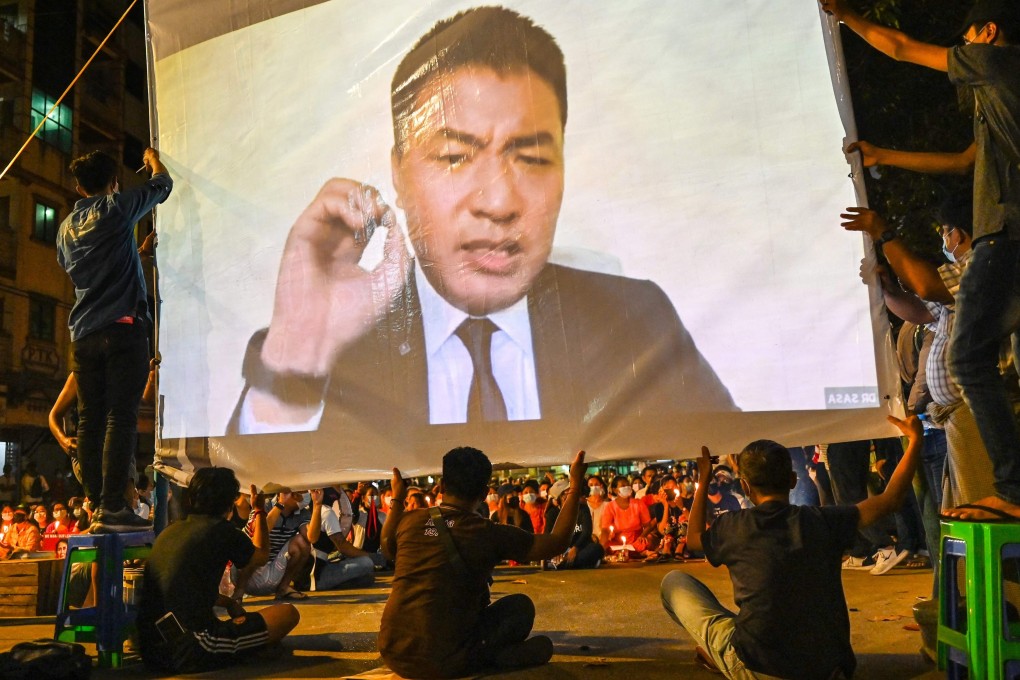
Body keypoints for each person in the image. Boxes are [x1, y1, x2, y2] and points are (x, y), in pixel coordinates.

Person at [231, 6, 735, 444]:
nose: (498, 202)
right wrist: (299, 352)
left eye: (533, 157)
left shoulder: (635, 320)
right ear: (397, 175)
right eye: (454, 156)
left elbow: (736, 468)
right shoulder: (336, 344)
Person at [820, 0, 1020, 521]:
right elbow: (959, 162)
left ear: (989, 31)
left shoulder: (995, 63)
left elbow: (905, 49)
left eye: (969, 36)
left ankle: (1014, 489)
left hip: (1006, 235)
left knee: (968, 358)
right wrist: (884, 155)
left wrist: (846, 17)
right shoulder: (998, 108)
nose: (963, 48)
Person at [661, 415, 922, 679]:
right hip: (830, 670)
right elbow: (890, 499)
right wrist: (914, 441)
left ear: (745, 486)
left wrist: (704, 478)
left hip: (761, 669)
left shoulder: (732, 526)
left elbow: (693, 538)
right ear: (793, 480)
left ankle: (725, 654)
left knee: (674, 583)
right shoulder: (824, 521)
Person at [377, 447, 587, 678]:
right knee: (520, 608)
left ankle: (485, 655)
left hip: (394, 652)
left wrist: (397, 496)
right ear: (485, 492)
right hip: (444, 660)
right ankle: (489, 657)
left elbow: (387, 545)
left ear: (443, 486)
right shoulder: (486, 532)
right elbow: (556, 543)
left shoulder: (410, 521)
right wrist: (575, 486)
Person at [57, 148, 171, 533]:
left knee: (89, 419)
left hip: (83, 333)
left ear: (77, 187)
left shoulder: (64, 230)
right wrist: (153, 160)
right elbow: (162, 185)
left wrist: (135, 255)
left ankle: (94, 504)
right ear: (114, 183)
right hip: (122, 330)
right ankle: (112, 506)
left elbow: (97, 270)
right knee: (119, 417)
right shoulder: (116, 208)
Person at [138, 468, 299, 673]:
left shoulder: (170, 531)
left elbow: (184, 589)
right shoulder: (222, 531)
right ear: (230, 502)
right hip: (191, 647)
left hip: (150, 649)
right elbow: (261, 556)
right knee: (287, 614)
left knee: (251, 629)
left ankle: (248, 647)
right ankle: (246, 650)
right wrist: (258, 510)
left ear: (191, 499)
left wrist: (229, 602)